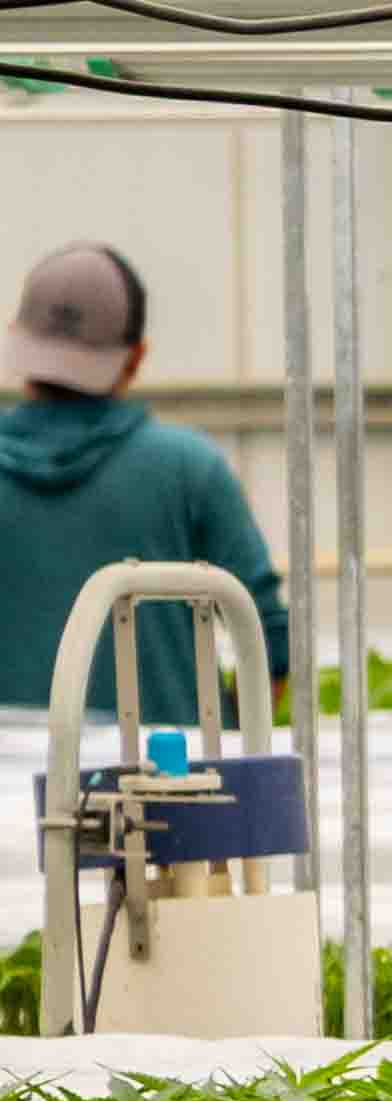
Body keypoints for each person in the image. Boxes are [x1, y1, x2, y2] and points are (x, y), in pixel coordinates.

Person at [0, 241, 287, 742]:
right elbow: (265, 647)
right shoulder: (187, 468)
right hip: (164, 792)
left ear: (16, 341)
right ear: (135, 357)